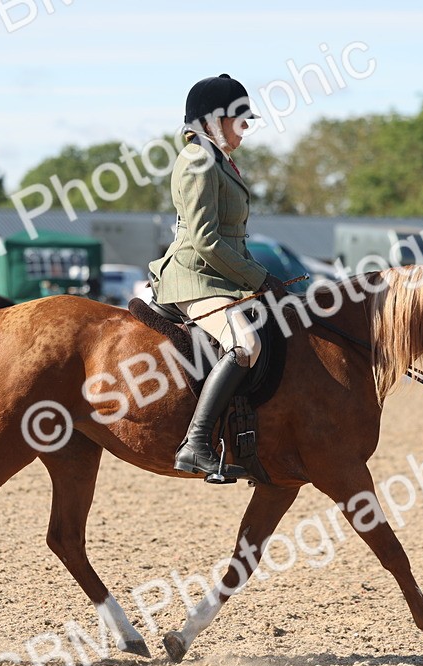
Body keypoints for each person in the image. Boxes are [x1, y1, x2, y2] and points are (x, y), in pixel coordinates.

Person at [148, 73, 284, 483]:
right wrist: (260, 278)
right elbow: (206, 240)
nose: (245, 129)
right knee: (245, 344)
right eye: (239, 120)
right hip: (194, 278)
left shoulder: (220, 161)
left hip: (220, 279)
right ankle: (197, 443)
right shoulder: (197, 161)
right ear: (212, 121)